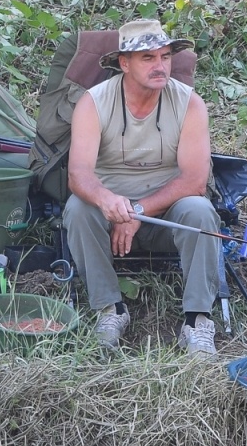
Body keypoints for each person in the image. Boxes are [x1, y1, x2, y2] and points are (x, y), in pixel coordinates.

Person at [63, 18, 220, 355]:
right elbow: (78, 175)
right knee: (78, 208)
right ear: (124, 63)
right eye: (147, 58)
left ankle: (197, 321)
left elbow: (195, 181)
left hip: (165, 213)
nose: (160, 66)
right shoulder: (94, 102)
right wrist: (109, 202)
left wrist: (137, 211)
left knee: (201, 210)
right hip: (109, 214)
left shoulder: (190, 103)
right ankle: (109, 310)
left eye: (165, 57)